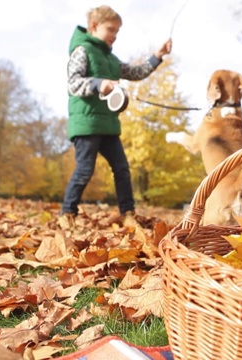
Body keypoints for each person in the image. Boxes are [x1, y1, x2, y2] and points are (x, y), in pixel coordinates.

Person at [60, 5, 172, 226]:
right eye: (110, 30)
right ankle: (67, 214)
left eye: (117, 32)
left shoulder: (111, 60)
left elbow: (135, 73)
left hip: (108, 124)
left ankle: (127, 213)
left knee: (122, 169)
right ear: (94, 26)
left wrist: (157, 56)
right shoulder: (82, 50)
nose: (114, 36)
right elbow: (73, 83)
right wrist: (98, 83)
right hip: (86, 123)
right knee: (84, 170)